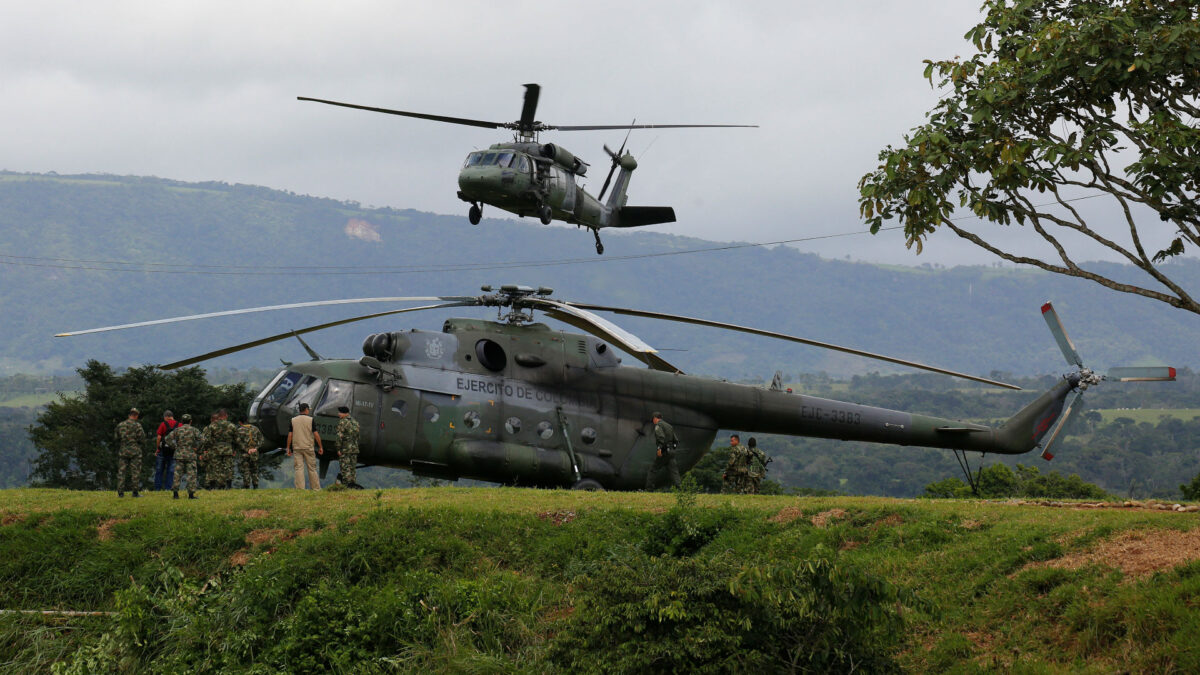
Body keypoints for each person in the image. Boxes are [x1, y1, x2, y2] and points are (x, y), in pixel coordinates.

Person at [286, 403, 323, 490]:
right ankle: (315, 488)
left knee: (299, 468)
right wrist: (320, 446)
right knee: (312, 468)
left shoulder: (293, 420)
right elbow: (316, 434)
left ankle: (300, 489)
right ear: (306, 409)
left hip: (297, 447)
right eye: (308, 409)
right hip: (308, 447)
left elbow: (290, 435)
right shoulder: (311, 420)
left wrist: (288, 447)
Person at [167, 414, 202, 499]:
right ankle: (191, 495)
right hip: (191, 454)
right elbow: (202, 440)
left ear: (181, 422)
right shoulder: (194, 430)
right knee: (191, 475)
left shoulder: (177, 430)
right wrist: (197, 448)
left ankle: (175, 494)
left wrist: (175, 447)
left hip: (179, 454)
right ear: (191, 421)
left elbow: (168, 439)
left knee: (177, 475)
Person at [200, 409, 238, 489]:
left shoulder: (212, 426)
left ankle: (213, 486)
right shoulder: (232, 426)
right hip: (228, 449)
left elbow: (207, 439)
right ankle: (228, 486)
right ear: (226, 416)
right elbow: (236, 440)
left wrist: (209, 447)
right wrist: (234, 450)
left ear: (219, 416)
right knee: (228, 467)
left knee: (215, 468)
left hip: (215, 449)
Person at [644, 411, 681, 491]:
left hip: (664, 452)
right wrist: (672, 449)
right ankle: (680, 489)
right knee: (674, 472)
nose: (653, 422)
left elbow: (661, 437)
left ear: (655, 418)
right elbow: (676, 441)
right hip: (671, 452)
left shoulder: (658, 425)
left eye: (653, 420)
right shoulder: (669, 426)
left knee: (653, 470)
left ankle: (649, 489)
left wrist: (659, 449)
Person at [114, 407, 146, 497]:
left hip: (123, 451)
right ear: (136, 416)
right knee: (135, 472)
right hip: (135, 451)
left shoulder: (120, 425)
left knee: (121, 472)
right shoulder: (137, 426)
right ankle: (135, 492)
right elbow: (142, 439)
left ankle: (120, 493)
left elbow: (116, 438)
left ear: (129, 415)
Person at [335, 406, 362, 489]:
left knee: (345, 468)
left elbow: (339, 436)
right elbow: (358, 437)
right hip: (354, 449)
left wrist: (338, 448)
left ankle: (347, 486)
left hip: (345, 449)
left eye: (340, 412)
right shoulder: (355, 422)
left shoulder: (343, 422)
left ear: (344, 413)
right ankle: (353, 485)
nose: (338, 414)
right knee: (352, 468)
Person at [153, 410, 180, 491]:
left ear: (166, 417)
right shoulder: (179, 424)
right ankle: (168, 488)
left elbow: (159, 437)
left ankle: (157, 489)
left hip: (163, 451)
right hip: (174, 450)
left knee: (159, 470)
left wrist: (158, 448)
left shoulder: (163, 424)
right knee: (171, 471)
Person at [235, 416, 265, 489]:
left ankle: (247, 487)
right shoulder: (255, 429)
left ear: (240, 422)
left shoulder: (239, 430)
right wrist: (255, 448)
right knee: (254, 470)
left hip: (244, 454)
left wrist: (246, 449)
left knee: (246, 471)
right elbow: (261, 440)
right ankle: (255, 486)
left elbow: (238, 442)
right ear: (248, 420)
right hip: (254, 453)